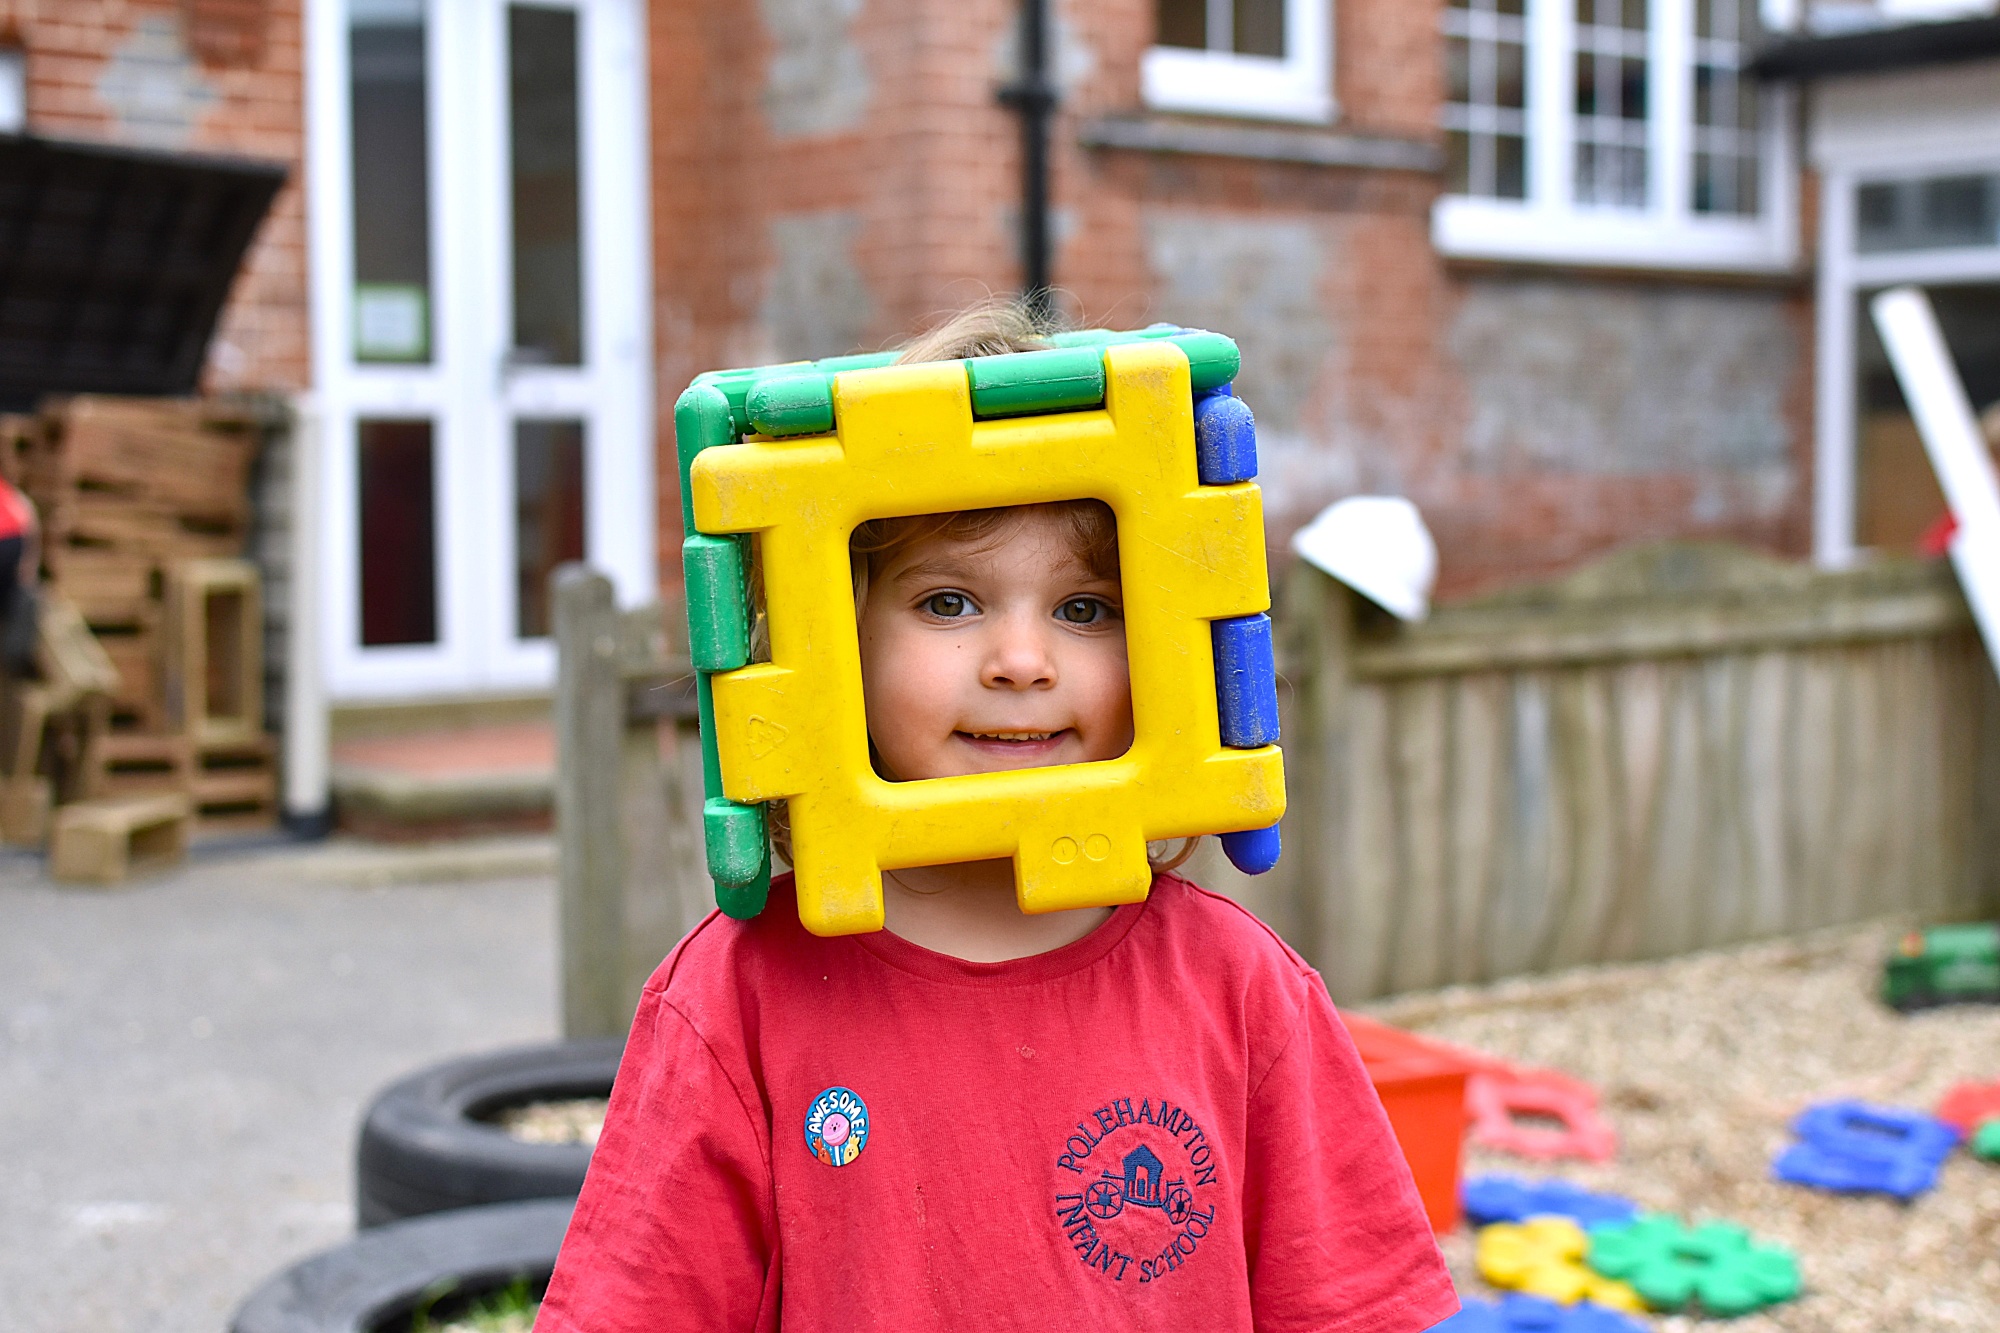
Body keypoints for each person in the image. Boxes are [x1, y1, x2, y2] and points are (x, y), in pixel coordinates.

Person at [535, 302, 1459, 1332]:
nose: (1021, 662)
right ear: (826, 634)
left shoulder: (1242, 992)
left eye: (1084, 609)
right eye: (948, 602)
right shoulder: (734, 1001)